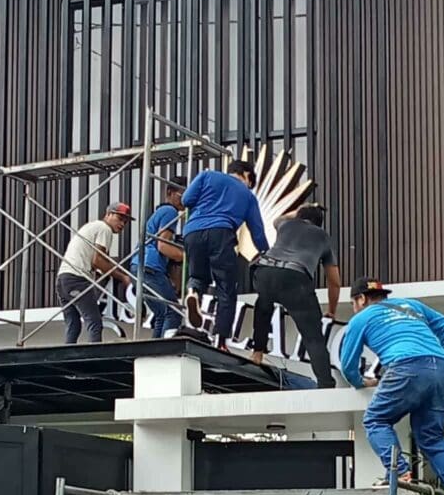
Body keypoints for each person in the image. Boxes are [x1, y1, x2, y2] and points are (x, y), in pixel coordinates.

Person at [339, 277, 444, 495]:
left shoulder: (360, 319)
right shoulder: (411, 305)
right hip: (441, 370)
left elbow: (347, 365)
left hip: (406, 367)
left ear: (361, 299)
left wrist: (360, 382)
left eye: (354, 302)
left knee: (376, 419)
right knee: (431, 437)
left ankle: (398, 472)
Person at [250, 204, 340, 389]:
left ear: (298, 216)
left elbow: (278, 218)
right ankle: (326, 384)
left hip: (264, 271)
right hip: (295, 279)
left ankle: (257, 352)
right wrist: (331, 310)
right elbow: (334, 281)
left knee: (264, 303)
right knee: (313, 337)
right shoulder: (323, 237)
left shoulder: (285, 225)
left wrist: (300, 210)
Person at [182, 160, 268, 351]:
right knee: (226, 288)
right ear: (245, 174)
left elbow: (186, 200)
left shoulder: (207, 175)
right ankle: (221, 341)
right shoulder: (247, 195)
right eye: (251, 181)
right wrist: (266, 253)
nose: (250, 186)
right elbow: (258, 232)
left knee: (197, 276)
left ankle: (193, 293)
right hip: (221, 233)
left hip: (192, 232)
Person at [56, 203, 133, 345]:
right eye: (120, 218)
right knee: (94, 321)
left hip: (63, 279)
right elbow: (98, 261)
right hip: (77, 279)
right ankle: (95, 356)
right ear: (108, 214)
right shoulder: (104, 229)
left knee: (73, 324)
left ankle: (67, 355)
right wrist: (123, 277)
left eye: (126, 221)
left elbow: (97, 266)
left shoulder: (91, 227)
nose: (122, 224)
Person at [131, 176, 186, 338]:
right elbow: (163, 246)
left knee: (162, 314)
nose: (185, 199)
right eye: (182, 194)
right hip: (151, 267)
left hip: (139, 266)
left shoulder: (160, 212)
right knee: (174, 312)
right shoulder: (170, 211)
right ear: (170, 192)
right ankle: (164, 352)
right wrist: (185, 256)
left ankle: (153, 351)